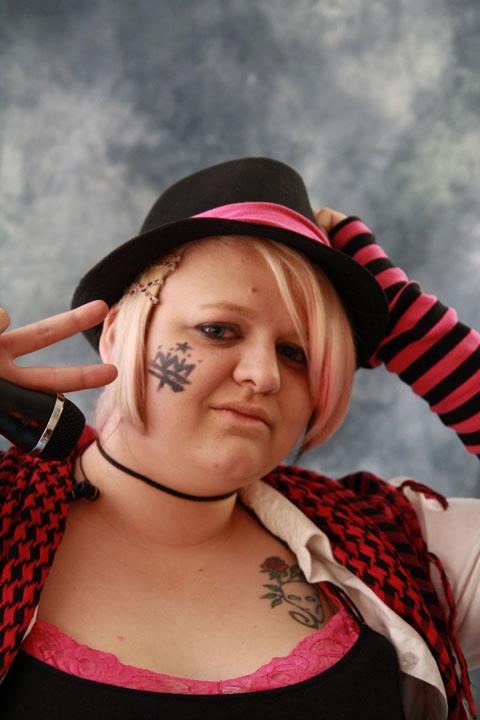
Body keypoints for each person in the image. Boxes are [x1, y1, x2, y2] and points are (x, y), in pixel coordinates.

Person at [0, 157, 478, 720]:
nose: (265, 375)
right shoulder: (8, 518)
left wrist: (415, 330)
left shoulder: (397, 549)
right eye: (218, 330)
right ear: (116, 334)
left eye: (296, 353)